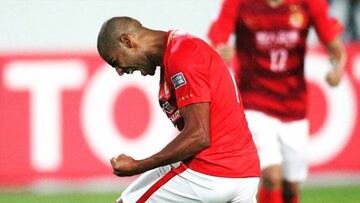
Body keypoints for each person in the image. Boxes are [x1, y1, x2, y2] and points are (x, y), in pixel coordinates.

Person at [97, 16, 260, 203]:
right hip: (244, 171)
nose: (119, 71)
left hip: (212, 173)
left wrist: (138, 165)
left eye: (115, 61)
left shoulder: (182, 56)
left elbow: (199, 136)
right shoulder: (178, 50)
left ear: (127, 41)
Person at [207, 0, 346, 203]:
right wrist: (219, 52)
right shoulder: (238, 3)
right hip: (253, 102)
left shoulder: (309, 3)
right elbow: (216, 39)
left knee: (290, 186)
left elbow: (334, 47)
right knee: (271, 176)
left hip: (294, 106)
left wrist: (337, 68)